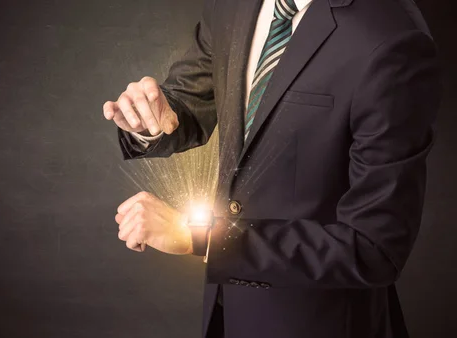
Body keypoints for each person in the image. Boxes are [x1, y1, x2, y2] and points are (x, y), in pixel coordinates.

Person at [102, 0, 442, 337]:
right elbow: (190, 102)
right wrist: (147, 121)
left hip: (319, 322)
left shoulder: (392, 37)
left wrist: (203, 238)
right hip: (226, 311)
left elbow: (374, 248)